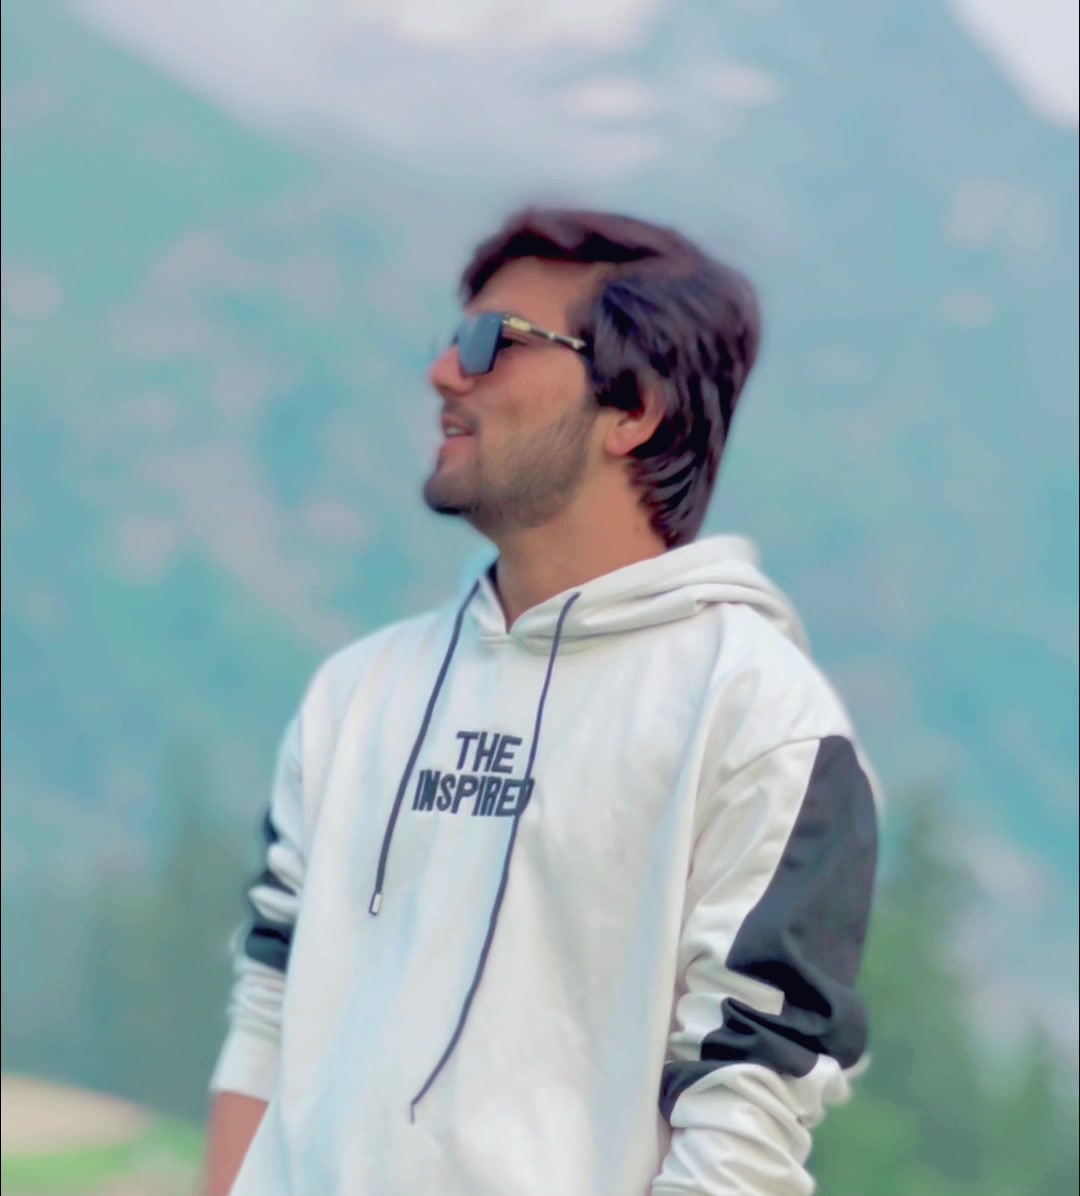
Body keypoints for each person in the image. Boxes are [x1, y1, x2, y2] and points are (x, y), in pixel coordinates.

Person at [204, 208, 879, 1196]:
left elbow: (747, 1103)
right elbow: (270, 1002)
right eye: (453, 338)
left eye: (494, 342)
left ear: (633, 408)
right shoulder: (356, 693)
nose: (445, 373)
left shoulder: (759, 718)